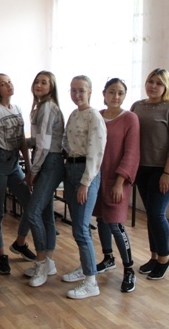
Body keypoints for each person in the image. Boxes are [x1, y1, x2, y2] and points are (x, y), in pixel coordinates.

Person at [131, 68, 169, 280]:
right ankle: (153, 257)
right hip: (142, 168)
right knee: (150, 215)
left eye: (159, 83)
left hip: (164, 170)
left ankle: (164, 259)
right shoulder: (137, 106)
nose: (153, 86)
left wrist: (167, 173)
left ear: (166, 87)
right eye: (150, 81)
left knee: (156, 213)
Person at [61, 75, 107, 300]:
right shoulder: (73, 114)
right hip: (70, 169)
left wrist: (85, 183)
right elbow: (66, 143)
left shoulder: (94, 116)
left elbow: (96, 153)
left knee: (80, 227)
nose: (77, 94)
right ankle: (84, 267)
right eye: (73, 90)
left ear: (90, 92)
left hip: (85, 173)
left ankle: (91, 282)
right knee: (78, 227)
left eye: (81, 90)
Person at [94, 78, 140, 293]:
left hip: (117, 180)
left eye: (120, 93)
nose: (116, 96)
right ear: (104, 93)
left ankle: (129, 269)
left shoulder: (130, 119)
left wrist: (120, 182)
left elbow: (131, 153)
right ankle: (108, 257)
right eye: (112, 92)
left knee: (115, 223)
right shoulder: (97, 115)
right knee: (101, 219)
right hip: (97, 177)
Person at [0, 73, 36, 275]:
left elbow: (22, 140)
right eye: (3, 84)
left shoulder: (17, 109)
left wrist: (29, 167)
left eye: (9, 82)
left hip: (15, 163)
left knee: (31, 204)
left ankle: (20, 242)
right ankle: (1, 254)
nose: (8, 85)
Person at [24, 71, 64, 288]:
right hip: (47, 161)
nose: (39, 85)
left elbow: (44, 145)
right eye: (37, 81)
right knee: (46, 214)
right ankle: (48, 262)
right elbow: (39, 140)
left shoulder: (47, 106)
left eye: (44, 82)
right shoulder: (41, 106)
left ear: (52, 87)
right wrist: (24, 142)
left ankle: (40, 263)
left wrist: (33, 170)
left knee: (32, 212)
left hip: (50, 163)